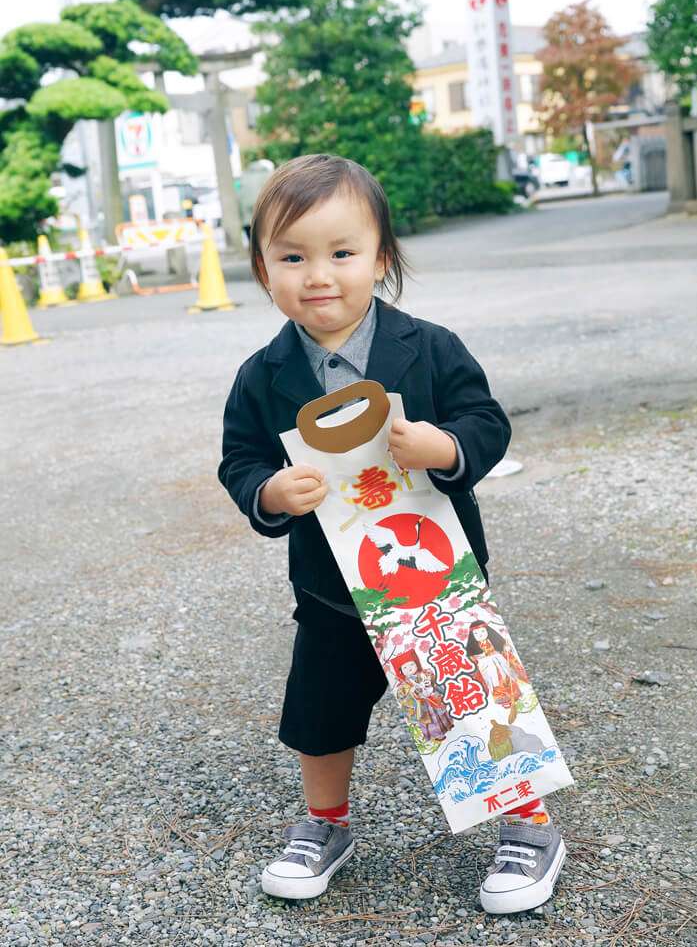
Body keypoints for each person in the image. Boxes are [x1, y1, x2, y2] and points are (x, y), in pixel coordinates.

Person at [218, 153, 566, 914]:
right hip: (330, 584)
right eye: (292, 256)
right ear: (262, 269)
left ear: (381, 257)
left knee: (470, 692)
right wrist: (270, 490)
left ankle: (528, 823)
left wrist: (445, 448)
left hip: (434, 579)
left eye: (342, 253)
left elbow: (485, 421)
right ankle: (326, 824)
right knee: (320, 707)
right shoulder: (262, 373)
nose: (319, 275)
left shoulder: (428, 347)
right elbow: (239, 458)